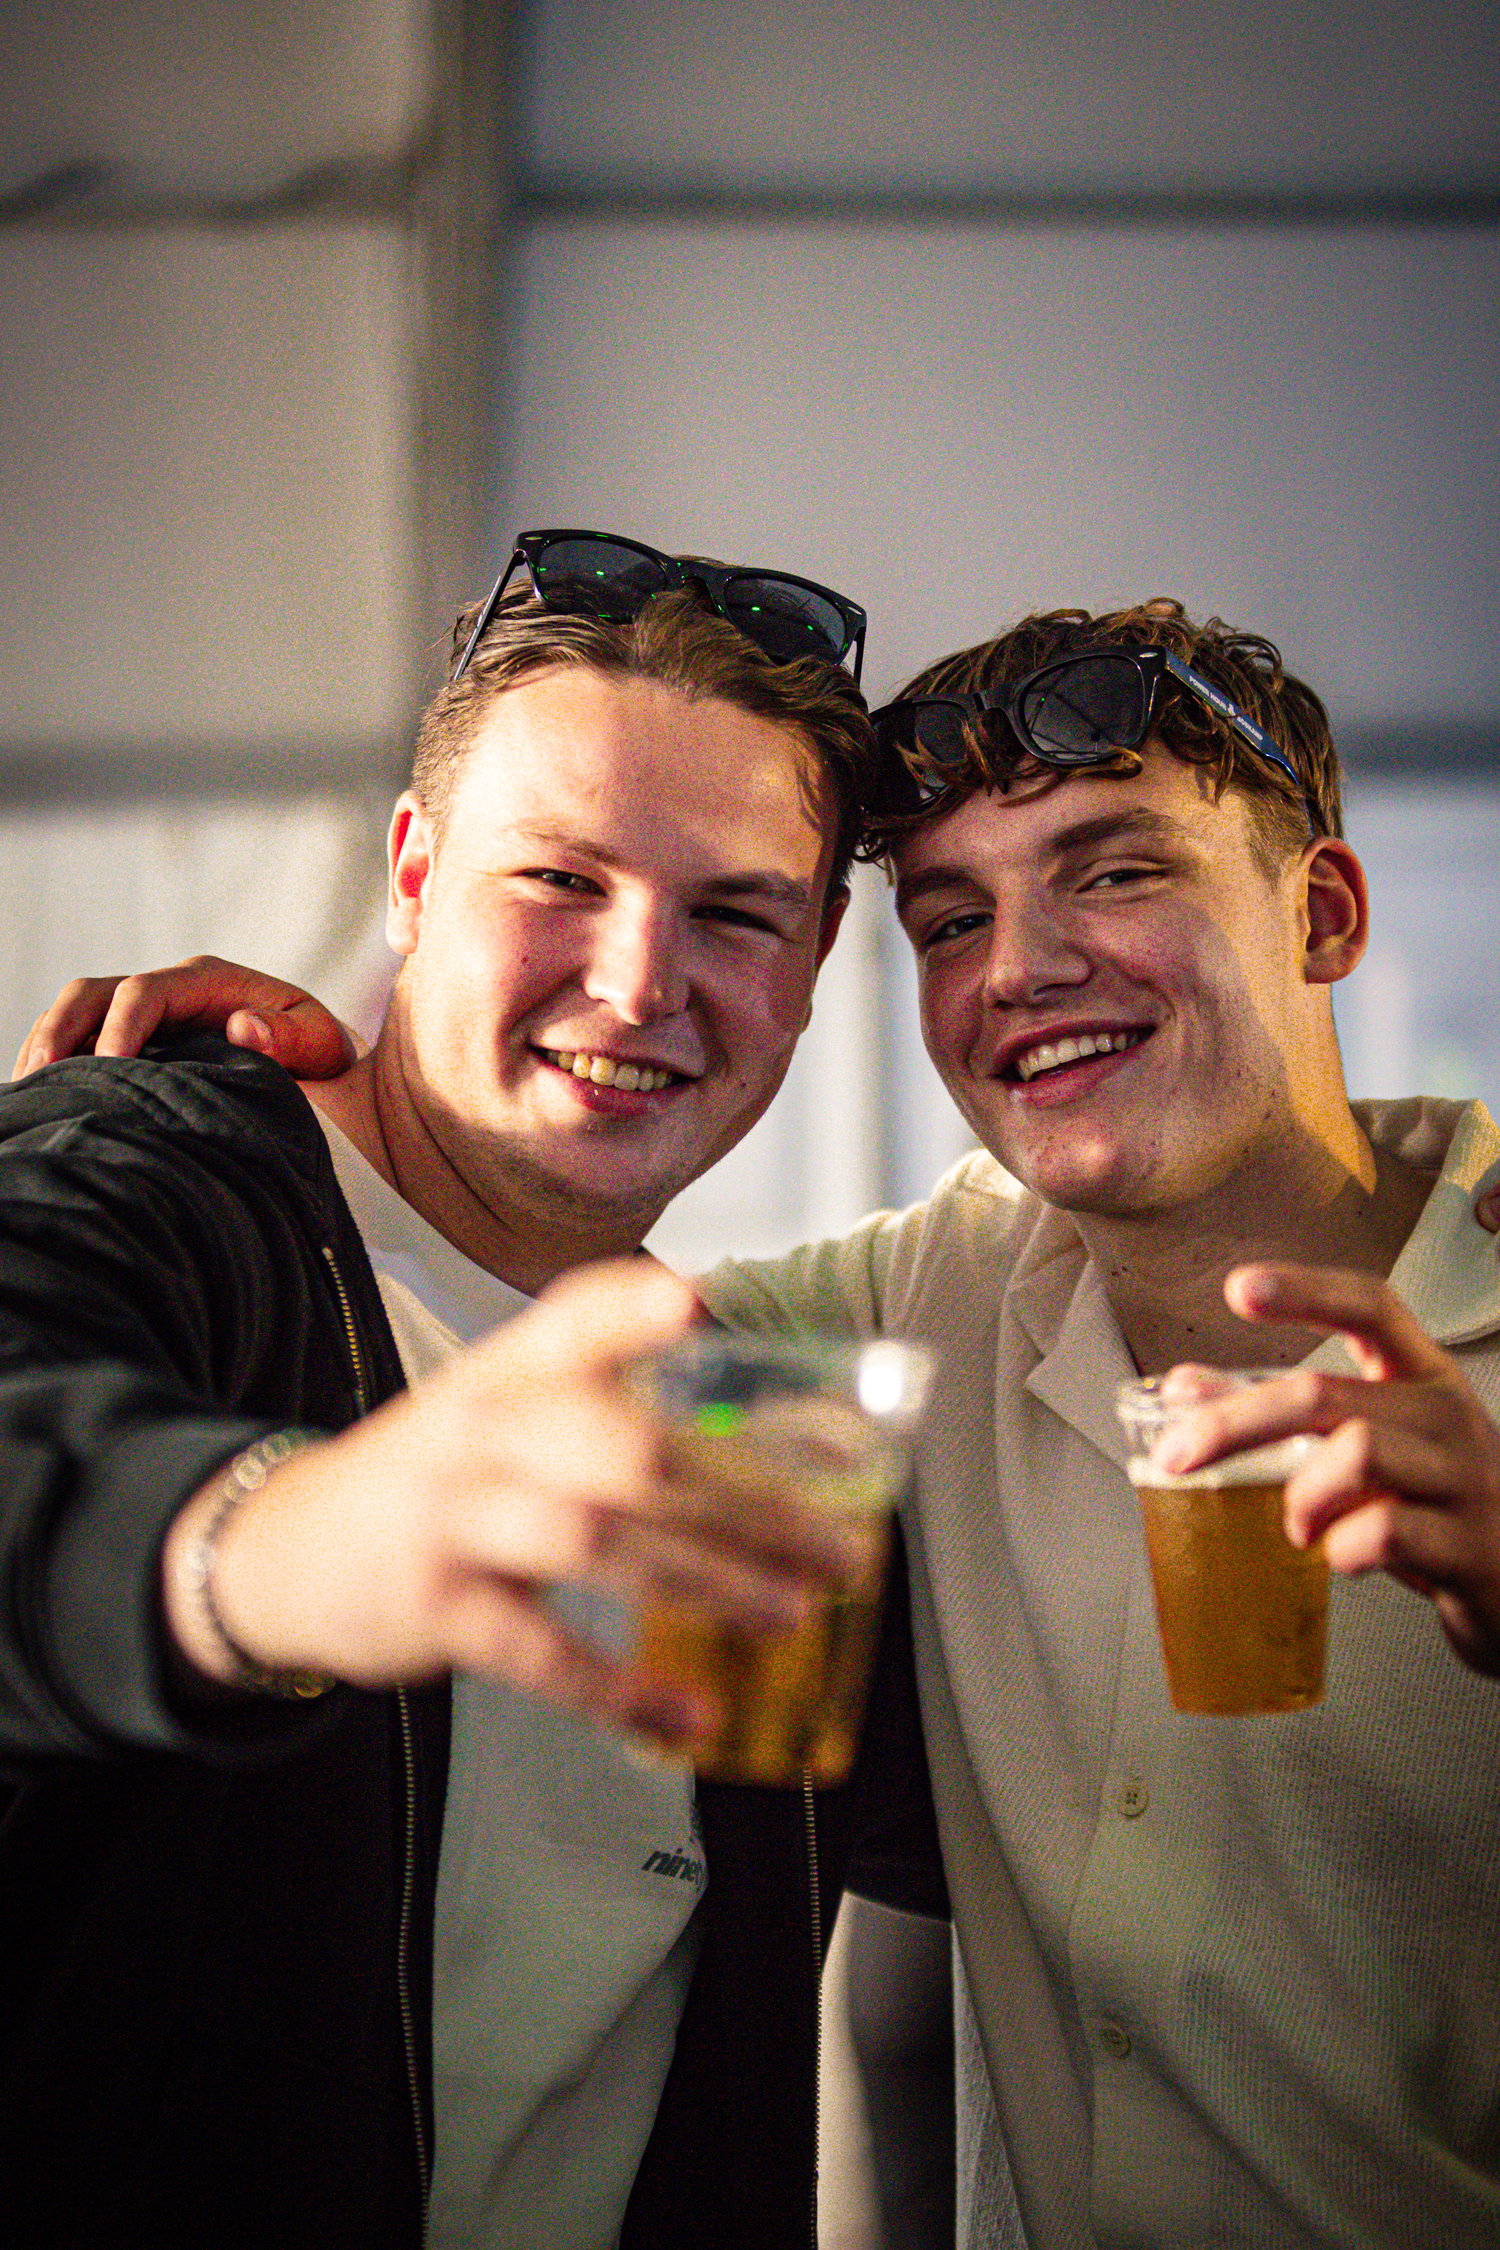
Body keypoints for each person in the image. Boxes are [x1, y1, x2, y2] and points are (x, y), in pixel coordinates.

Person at [81, 598, 1500, 2248]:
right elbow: (509, 1271)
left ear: (1321, 913)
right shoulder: (933, 1298)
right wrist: (308, 1085)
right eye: (953, 918)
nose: (1024, 968)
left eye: (1118, 871)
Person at [0, 534, 942, 2250]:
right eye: (560, 880)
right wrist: (274, 1541)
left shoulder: (758, 1393)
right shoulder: (154, 1168)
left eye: (734, 910)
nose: (639, 978)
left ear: (812, 968)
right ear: (416, 874)